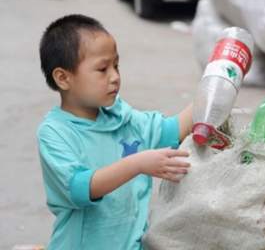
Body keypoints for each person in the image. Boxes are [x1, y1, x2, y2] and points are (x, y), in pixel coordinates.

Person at [37, 14, 194, 249]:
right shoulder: (55, 133)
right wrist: (138, 164)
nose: (115, 77)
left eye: (116, 65)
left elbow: (173, 129)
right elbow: (81, 187)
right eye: (102, 69)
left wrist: (220, 77)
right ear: (63, 78)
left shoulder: (122, 118)